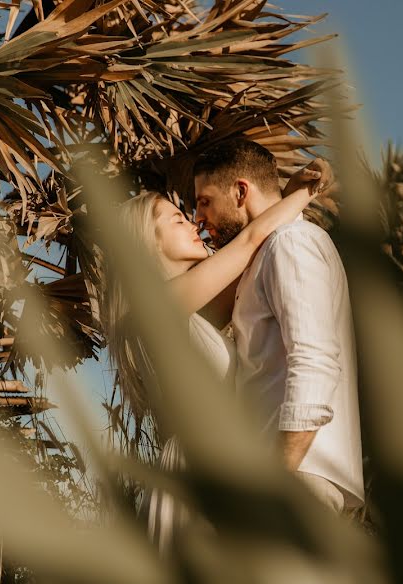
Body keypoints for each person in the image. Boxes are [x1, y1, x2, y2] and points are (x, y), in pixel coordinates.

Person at [105, 160, 332, 554]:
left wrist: (279, 194)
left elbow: (252, 252)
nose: (195, 224)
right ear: (147, 242)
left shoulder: (187, 310)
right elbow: (248, 244)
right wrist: (303, 193)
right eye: (178, 220)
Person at [194, 140, 364, 514]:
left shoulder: (291, 243)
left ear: (240, 191)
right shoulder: (268, 251)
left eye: (204, 201)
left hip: (297, 479)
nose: (198, 217)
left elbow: (315, 361)